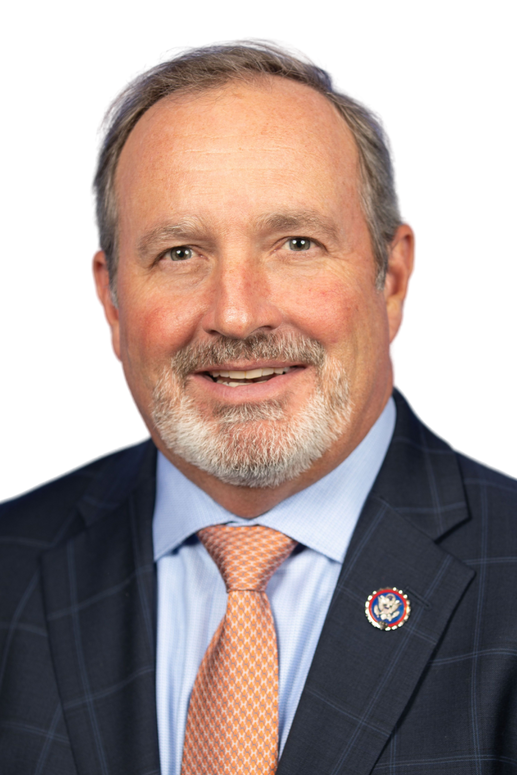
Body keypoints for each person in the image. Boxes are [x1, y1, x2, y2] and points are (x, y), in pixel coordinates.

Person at [0, 34, 515, 775]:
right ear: (108, 300)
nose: (237, 316)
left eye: (296, 243)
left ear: (394, 278)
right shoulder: (11, 559)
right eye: (180, 253)